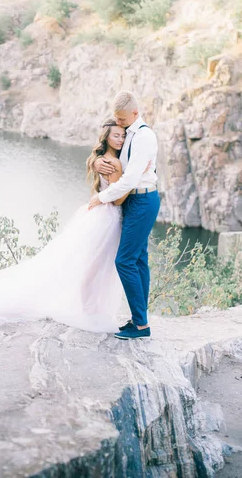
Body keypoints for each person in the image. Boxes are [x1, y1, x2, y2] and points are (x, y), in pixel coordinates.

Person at [0, 120, 127, 333]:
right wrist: (132, 182)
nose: (121, 139)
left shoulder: (104, 159)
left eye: (123, 136)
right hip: (107, 217)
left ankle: (89, 308)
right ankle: (90, 311)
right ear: (106, 137)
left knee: (92, 264)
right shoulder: (114, 163)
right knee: (97, 266)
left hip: (100, 215)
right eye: (116, 135)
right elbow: (117, 200)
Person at [88, 91, 160, 340]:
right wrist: (95, 162)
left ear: (135, 113)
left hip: (143, 199)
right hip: (133, 200)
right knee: (139, 259)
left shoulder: (144, 136)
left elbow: (129, 178)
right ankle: (140, 320)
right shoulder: (128, 132)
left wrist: (101, 197)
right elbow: (113, 157)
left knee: (125, 261)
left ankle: (140, 325)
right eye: (116, 119)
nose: (117, 122)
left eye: (120, 118)